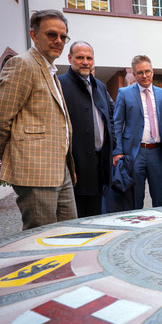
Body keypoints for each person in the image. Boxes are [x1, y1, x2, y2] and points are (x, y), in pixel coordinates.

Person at [0, 9, 77, 229]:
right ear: (34, 35)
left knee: (70, 233)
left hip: (60, 169)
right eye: (51, 34)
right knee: (40, 240)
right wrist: (13, 156)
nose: (58, 41)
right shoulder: (23, 64)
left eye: (62, 37)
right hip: (34, 171)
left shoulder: (50, 70)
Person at [112, 55, 162, 208]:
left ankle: (161, 224)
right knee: (136, 198)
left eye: (147, 71)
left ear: (153, 71)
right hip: (135, 153)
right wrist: (117, 151)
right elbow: (117, 124)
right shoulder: (124, 93)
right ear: (134, 75)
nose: (144, 75)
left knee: (159, 197)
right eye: (140, 73)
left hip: (157, 152)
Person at [58, 41, 115, 217]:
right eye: (80, 57)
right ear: (70, 58)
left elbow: (109, 119)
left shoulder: (100, 86)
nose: (85, 62)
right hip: (75, 165)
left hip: (99, 163)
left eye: (89, 58)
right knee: (76, 217)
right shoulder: (59, 84)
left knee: (96, 214)